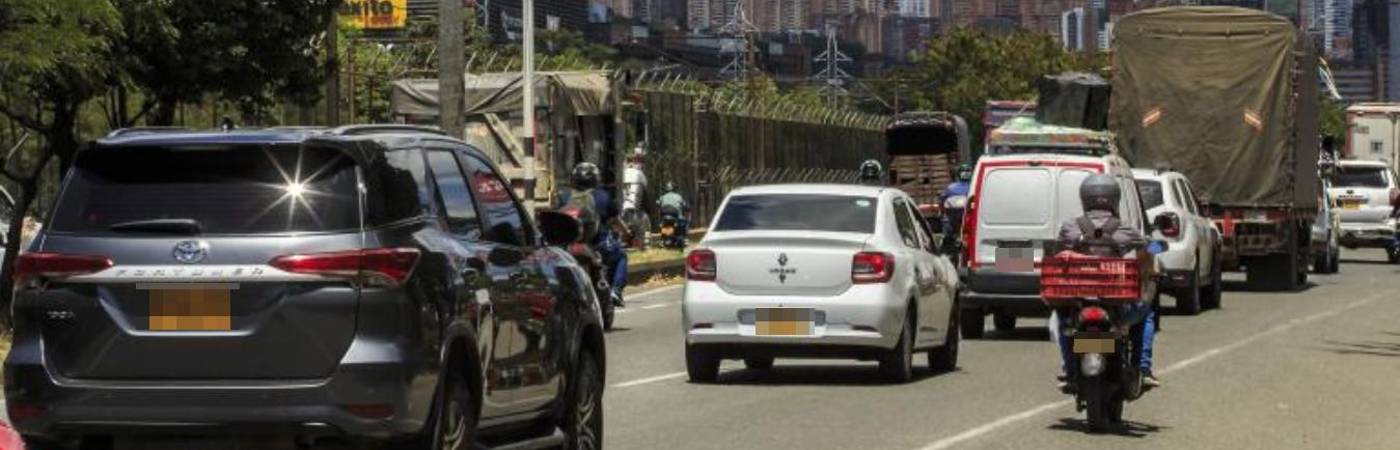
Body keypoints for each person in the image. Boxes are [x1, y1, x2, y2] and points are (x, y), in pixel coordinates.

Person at [1052, 174, 1159, 390]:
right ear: (1114, 199)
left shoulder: (1069, 227)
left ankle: (1069, 369)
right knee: (1146, 313)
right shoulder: (1124, 229)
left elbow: (1056, 250)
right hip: (1115, 298)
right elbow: (1149, 249)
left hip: (1079, 297)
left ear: (1085, 198)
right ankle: (1144, 368)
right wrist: (1155, 253)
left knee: (1062, 319)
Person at [558, 162, 628, 303]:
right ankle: (616, 291)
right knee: (621, 256)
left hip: (567, 244)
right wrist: (627, 232)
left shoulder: (564, 196)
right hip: (598, 244)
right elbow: (615, 220)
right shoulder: (603, 196)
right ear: (596, 179)